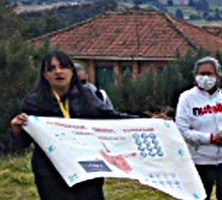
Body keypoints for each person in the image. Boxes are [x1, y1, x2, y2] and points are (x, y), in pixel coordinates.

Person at [8, 51, 138, 200]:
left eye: (63, 67)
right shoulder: (34, 102)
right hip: (51, 173)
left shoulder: (87, 97)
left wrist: (148, 120)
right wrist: (16, 130)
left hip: (86, 168)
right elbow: (21, 144)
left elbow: (112, 118)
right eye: (51, 69)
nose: (58, 72)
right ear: (45, 75)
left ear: (71, 72)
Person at [175, 56, 222, 200]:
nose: (206, 77)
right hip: (201, 161)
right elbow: (183, 130)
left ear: (217, 76)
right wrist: (210, 139)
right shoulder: (186, 98)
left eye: (210, 73)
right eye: (202, 74)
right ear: (195, 76)